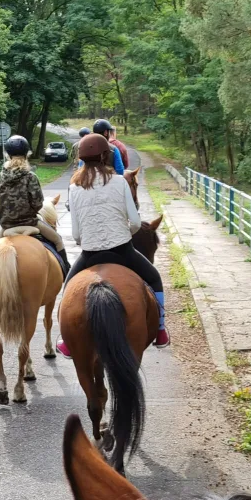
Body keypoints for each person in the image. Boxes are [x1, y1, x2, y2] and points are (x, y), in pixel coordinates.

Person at [56, 133, 169, 358]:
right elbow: (135, 222)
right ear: (106, 156)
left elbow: (76, 234)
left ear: (82, 158)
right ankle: (160, 330)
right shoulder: (119, 181)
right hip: (123, 250)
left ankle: (66, 339)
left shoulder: (74, 188)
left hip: (90, 254)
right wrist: (122, 233)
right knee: (154, 277)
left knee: (68, 289)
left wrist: (91, 239)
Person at [0, 135, 69, 276]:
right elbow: (38, 203)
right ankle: (66, 271)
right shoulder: (30, 177)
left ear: (7, 155)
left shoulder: (0, 176)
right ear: (27, 154)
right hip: (31, 223)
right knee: (58, 240)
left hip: (6, 226)